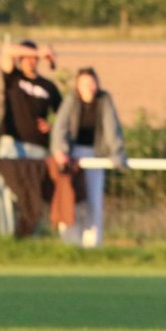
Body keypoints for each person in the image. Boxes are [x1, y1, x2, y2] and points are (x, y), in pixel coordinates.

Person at [50, 67, 127, 247]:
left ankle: (93, 244)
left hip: (96, 155)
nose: (89, 87)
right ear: (77, 85)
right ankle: (71, 243)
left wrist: (117, 154)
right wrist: (59, 150)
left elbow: (112, 129)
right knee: (70, 198)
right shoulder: (71, 100)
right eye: (85, 83)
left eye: (92, 83)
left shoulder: (104, 100)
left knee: (94, 200)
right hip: (72, 156)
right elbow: (60, 127)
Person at [0, 39, 61, 238]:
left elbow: (64, 117)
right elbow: (6, 52)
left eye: (35, 58)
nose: (32, 61)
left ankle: (29, 236)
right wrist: (40, 51)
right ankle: (6, 235)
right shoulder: (13, 79)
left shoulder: (48, 86)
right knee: (8, 191)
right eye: (28, 58)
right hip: (12, 144)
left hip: (38, 147)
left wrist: (52, 127)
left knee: (33, 193)